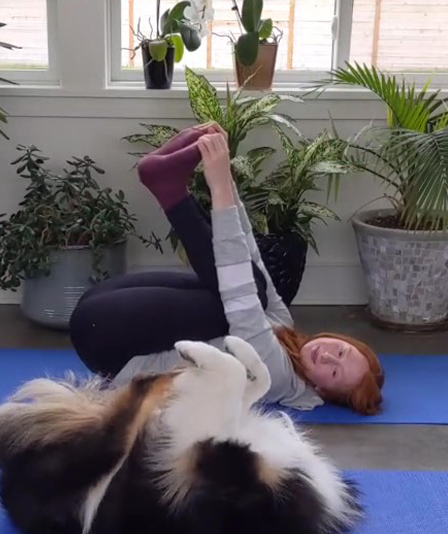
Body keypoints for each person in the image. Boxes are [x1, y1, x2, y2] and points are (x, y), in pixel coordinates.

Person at [70, 124, 385, 414]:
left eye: (334, 371)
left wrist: (218, 184)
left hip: (112, 346)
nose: (328, 356)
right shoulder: (285, 331)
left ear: (320, 389)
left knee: (247, 296)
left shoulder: (274, 375)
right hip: (103, 307)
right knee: (257, 284)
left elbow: (241, 297)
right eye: (341, 352)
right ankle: (168, 185)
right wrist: (228, 182)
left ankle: (171, 192)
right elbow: (251, 254)